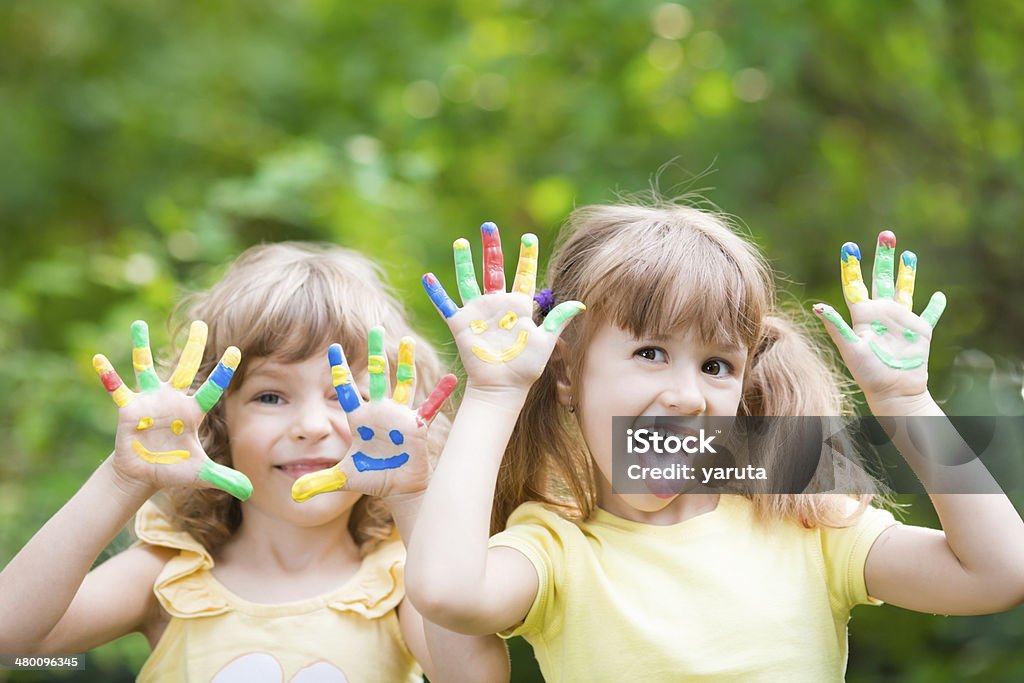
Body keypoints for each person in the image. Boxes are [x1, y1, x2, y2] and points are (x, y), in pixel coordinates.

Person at [405, 207, 1024, 681]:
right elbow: (445, 592)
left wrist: (907, 403)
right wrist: (493, 394)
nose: (687, 396)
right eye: (651, 353)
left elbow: (999, 573)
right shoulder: (558, 549)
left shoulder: (806, 526)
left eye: (717, 366)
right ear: (567, 372)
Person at [0, 242, 507, 682]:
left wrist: (409, 496)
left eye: (342, 396)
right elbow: (10, 639)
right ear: (218, 422)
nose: (310, 424)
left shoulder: (402, 580)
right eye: (270, 397)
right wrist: (121, 478)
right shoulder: (169, 578)